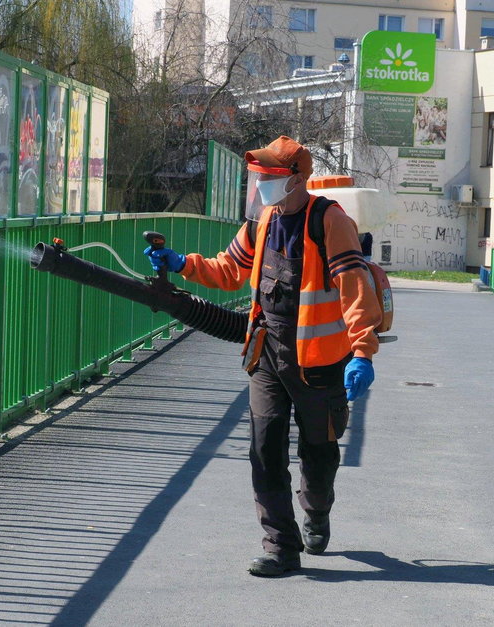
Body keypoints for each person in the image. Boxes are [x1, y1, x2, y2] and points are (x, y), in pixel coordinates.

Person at [145, 136, 382, 577]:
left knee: (320, 454)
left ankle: (316, 512)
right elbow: (229, 269)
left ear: (297, 178)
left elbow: (355, 291)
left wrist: (362, 352)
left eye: (269, 177)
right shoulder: (262, 222)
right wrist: (181, 263)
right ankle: (281, 547)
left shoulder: (329, 222)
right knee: (263, 449)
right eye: (258, 178)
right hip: (268, 356)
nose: (261, 186)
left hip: (321, 363)